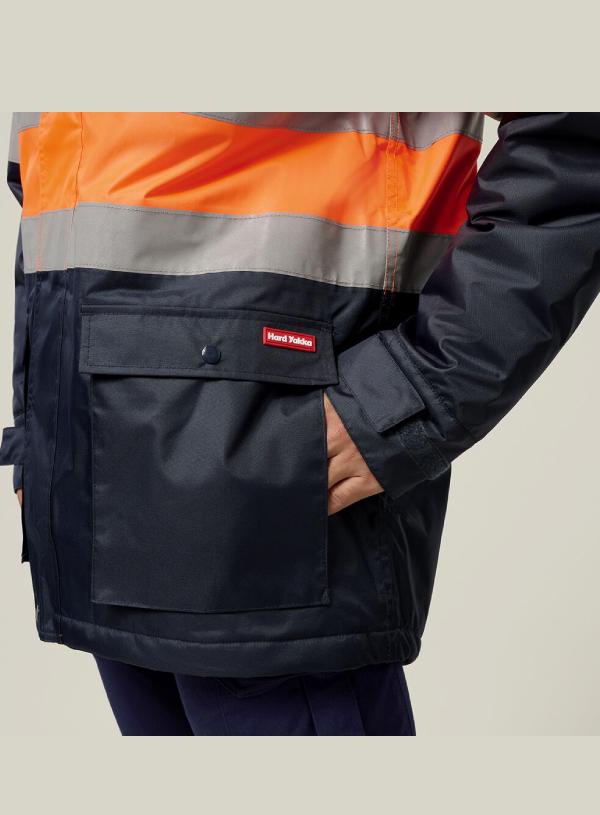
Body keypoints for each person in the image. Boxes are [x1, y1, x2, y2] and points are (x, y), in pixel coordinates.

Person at [0, 112, 598, 735]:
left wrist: (406, 396)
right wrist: (38, 427)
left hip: (270, 492)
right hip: (94, 485)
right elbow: (54, 205)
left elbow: (575, 138)